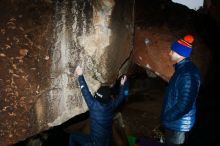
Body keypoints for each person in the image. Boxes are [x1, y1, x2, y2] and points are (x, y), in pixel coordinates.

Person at [69, 66, 128, 146]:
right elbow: (121, 98)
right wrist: (122, 85)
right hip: (107, 140)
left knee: (73, 136)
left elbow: (85, 91)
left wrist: (80, 75)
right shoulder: (112, 105)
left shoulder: (94, 105)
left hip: (95, 143)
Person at [160, 35, 201, 146]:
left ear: (180, 54)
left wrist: (167, 117)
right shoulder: (182, 69)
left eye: (172, 51)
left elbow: (185, 104)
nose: (170, 54)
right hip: (175, 123)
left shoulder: (188, 74)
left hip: (178, 126)